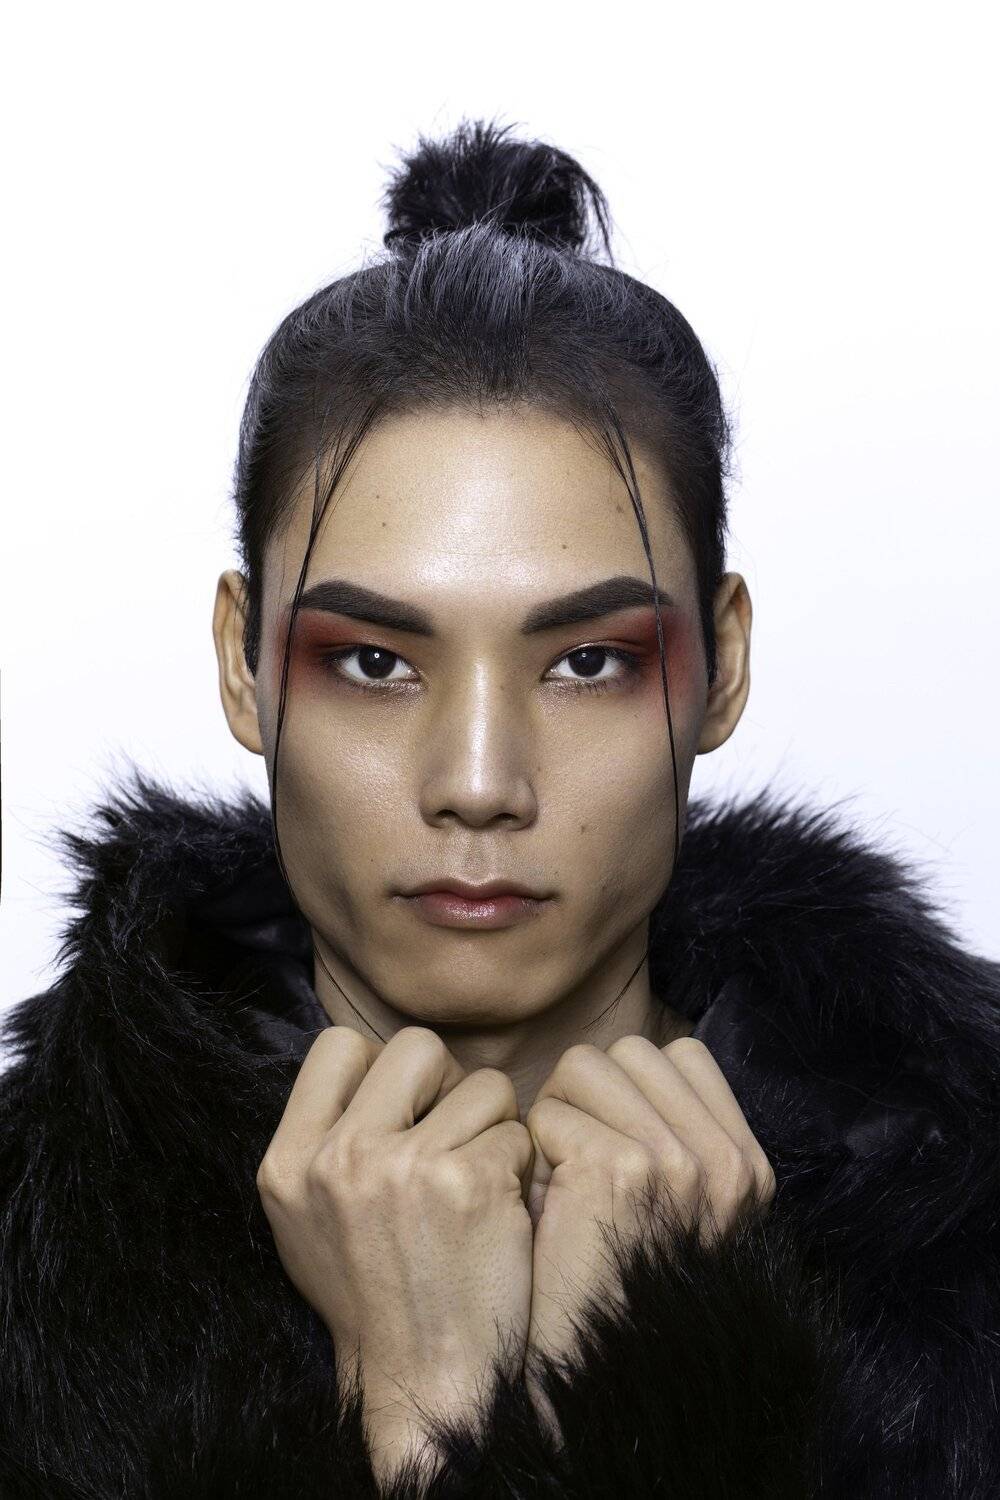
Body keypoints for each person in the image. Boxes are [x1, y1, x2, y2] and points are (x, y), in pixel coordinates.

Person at [1, 117, 997, 1499]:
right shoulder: (31, 1268)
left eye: (588, 662)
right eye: (374, 662)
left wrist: (657, 1374)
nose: (478, 782)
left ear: (724, 665)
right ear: (242, 665)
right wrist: (428, 1401)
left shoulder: (966, 1231)